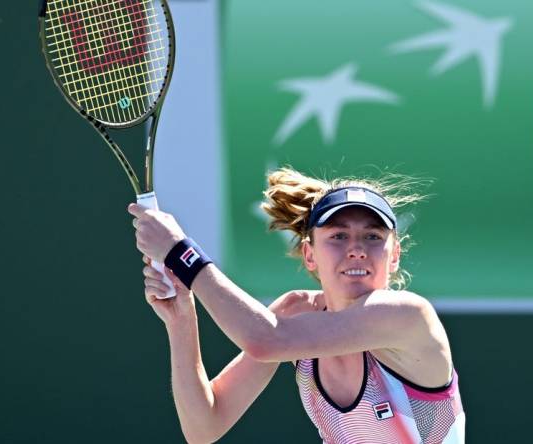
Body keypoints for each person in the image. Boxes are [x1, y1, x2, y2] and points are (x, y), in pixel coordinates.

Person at [128, 167, 465, 444]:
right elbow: (204, 426)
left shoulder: (408, 316)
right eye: (338, 235)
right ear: (309, 254)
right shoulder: (295, 312)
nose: (357, 249)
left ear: (394, 257)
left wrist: (180, 253)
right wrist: (182, 317)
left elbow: (265, 340)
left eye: (373, 236)